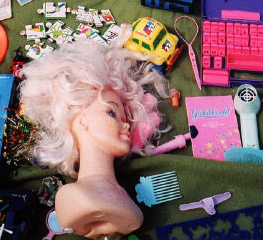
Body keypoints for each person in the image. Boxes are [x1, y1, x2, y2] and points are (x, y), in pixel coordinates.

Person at [19, 35, 169, 238]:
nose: (125, 124)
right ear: (81, 119)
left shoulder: (124, 200)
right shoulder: (73, 198)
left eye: (126, 118)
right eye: (111, 112)